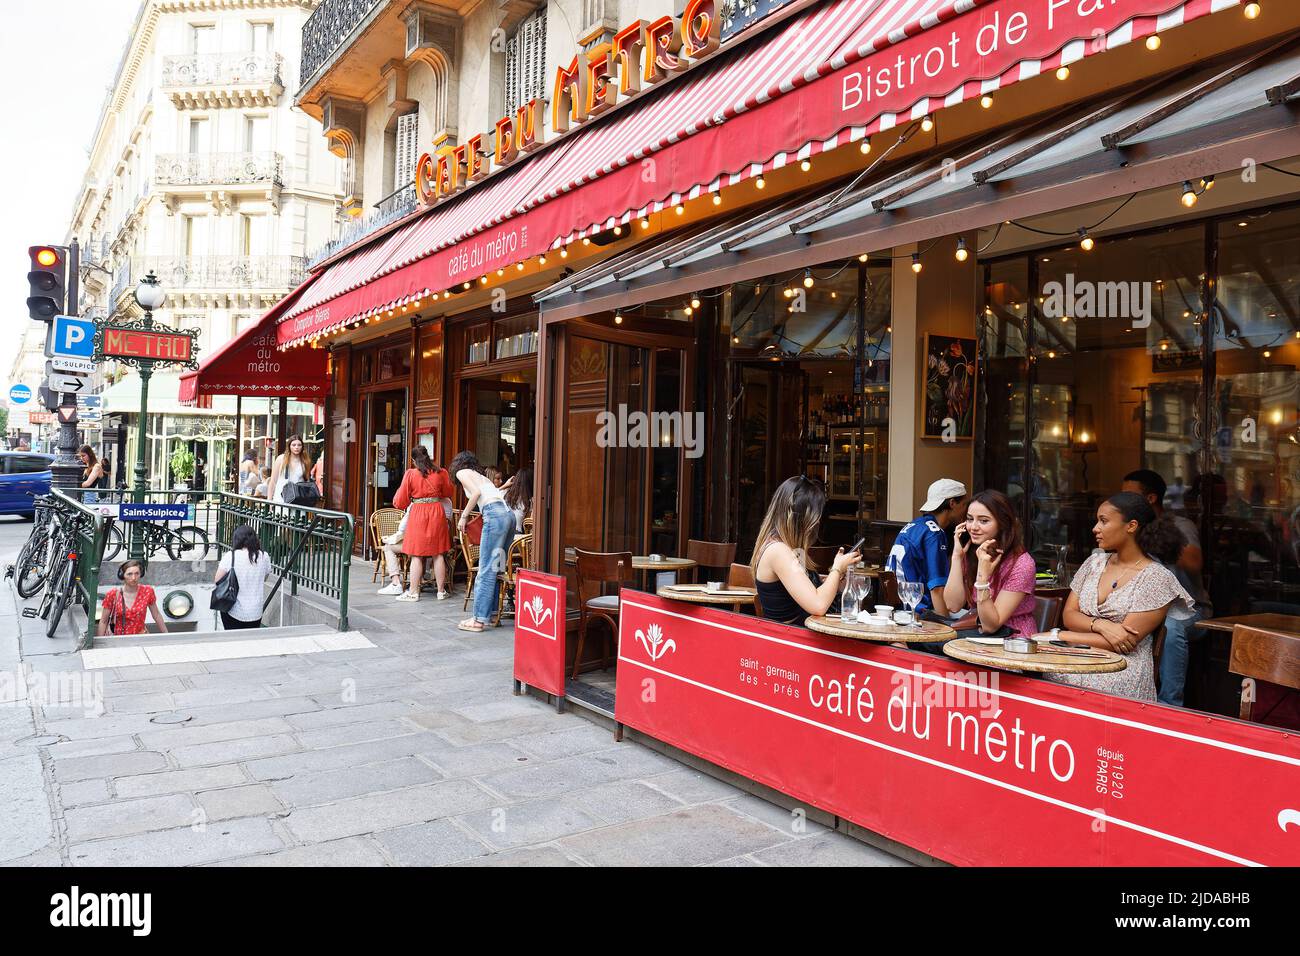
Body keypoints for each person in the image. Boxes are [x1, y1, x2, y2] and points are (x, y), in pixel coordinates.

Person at [1046, 492, 1195, 702]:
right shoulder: (1094, 563)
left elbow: (1124, 642)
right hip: (1076, 657)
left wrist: (1058, 637)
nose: (1095, 528)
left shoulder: (1157, 578)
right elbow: (1069, 615)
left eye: (1103, 521)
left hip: (1121, 670)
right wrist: (1102, 625)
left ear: (1131, 526)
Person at [1121, 469, 1212, 706]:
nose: (1124, 501)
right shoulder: (1129, 527)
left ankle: (1170, 706)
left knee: (1170, 626)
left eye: (1129, 495)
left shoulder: (1179, 525)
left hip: (1190, 611)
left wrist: (1159, 541)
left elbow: (1194, 562)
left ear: (1150, 498)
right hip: (1145, 608)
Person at [750, 476, 861, 625]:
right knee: (894, 646)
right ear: (802, 518)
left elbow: (807, 594)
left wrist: (836, 580)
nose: (817, 524)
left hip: (801, 635)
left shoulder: (786, 548)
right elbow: (818, 605)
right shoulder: (779, 552)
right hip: (793, 640)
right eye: (815, 519)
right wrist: (837, 568)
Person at [941, 489, 1037, 637]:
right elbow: (952, 605)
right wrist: (957, 557)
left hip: (1012, 642)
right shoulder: (973, 553)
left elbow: (991, 625)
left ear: (1003, 523)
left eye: (983, 520)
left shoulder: (1022, 563)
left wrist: (983, 579)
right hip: (976, 638)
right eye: (969, 519)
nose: (973, 527)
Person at [886, 477, 968, 616]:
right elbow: (937, 589)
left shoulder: (914, 525)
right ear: (953, 503)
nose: (966, 511)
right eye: (964, 505)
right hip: (921, 612)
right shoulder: (934, 534)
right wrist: (946, 626)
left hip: (901, 609)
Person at [453, 450, 512, 630]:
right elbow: (491, 493)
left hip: (494, 516)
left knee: (486, 569)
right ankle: (493, 614)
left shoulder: (462, 472)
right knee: (497, 567)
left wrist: (463, 516)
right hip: (508, 516)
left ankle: (478, 619)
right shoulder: (482, 476)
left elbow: (477, 493)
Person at [388, 446, 454, 602]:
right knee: (438, 554)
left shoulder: (411, 474)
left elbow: (400, 501)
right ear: (428, 456)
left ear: (413, 460)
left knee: (416, 555)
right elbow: (448, 492)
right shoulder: (441, 472)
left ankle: (413, 592)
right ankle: (441, 592)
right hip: (437, 512)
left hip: (418, 512)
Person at [214, 524, 273, 630]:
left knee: (233, 639)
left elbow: (217, 580)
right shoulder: (264, 556)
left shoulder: (231, 556)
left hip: (232, 609)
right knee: (250, 641)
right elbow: (265, 576)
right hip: (255, 612)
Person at [97, 560, 167, 636]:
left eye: (137, 573)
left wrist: (167, 635)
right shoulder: (113, 594)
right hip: (119, 638)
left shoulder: (148, 591)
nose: (133, 578)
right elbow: (103, 621)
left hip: (141, 636)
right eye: (129, 574)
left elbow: (156, 615)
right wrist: (100, 642)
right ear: (122, 575)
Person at [268, 435, 312, 504]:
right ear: (289, 446)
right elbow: (273, 481)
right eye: (293, 445)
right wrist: (269, 501)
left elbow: (306, 481)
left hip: (298, 499)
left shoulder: (305, 461)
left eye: (299, 445)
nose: (296, 447)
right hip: (281, 498)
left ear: (302, 447)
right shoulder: (281, 459)